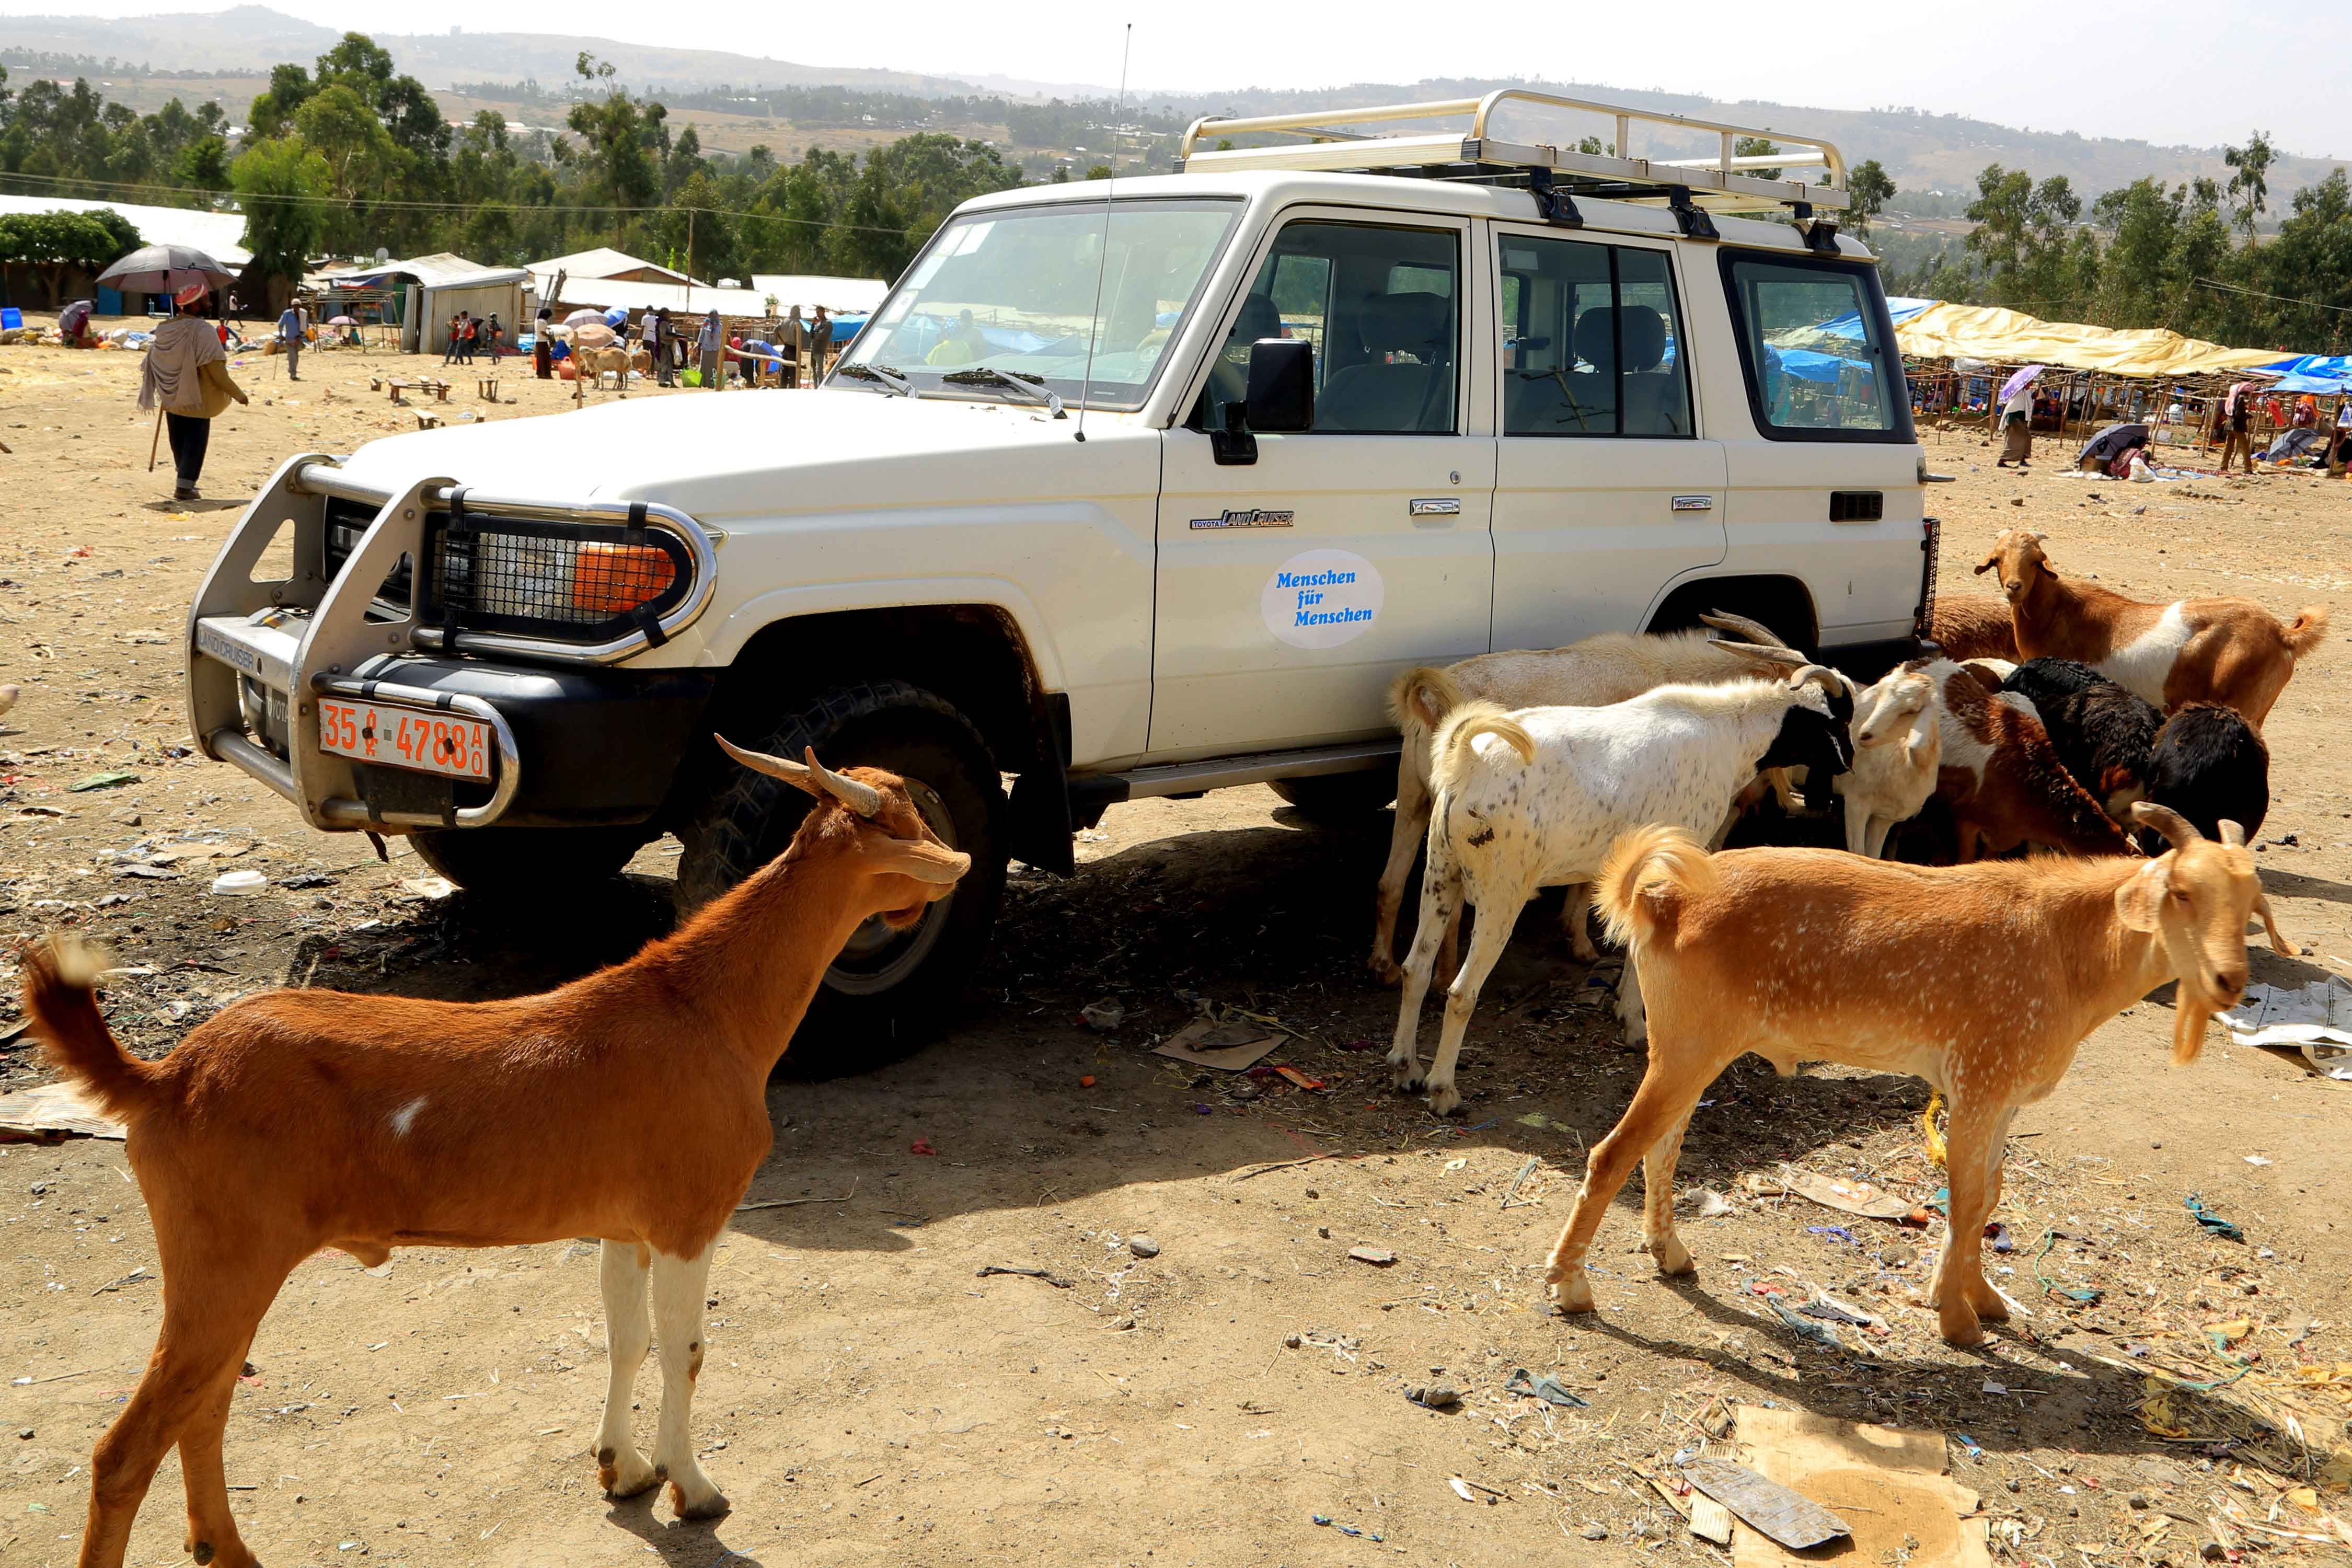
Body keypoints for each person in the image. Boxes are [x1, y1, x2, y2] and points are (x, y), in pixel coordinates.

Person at [142, 283, 247, 502]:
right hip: (197, 399)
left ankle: (184, 481)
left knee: (179, 442)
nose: (210, 303)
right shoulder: (203, 330)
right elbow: (215, 369)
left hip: (171, 397)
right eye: (206, 300)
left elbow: (156, 360)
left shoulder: (165, 328)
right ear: (196, 304)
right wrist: (238, 394)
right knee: (194, 444)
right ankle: (185, 488)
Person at [2219, 382, 2254, 475]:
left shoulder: (2233, 399)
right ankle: (2248, 468)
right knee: (2245, 448)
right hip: (2237, 426)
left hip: (2230, 425)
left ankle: (2223, 466)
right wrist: (2248, 416)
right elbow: (2239, 414)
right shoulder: (2241, 399)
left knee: (2229, 447)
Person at [276, 298, 305, 381]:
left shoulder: (303, 314)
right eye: (295, 306)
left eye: (298, 306)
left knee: (296, 358)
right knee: (292, 357)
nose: (297, 308)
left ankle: (291, 369)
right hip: (289, 338)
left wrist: (302, 335)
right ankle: (293, 375)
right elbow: (281, 324)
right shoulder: (287, 314)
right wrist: (281, 334)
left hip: (298, 338)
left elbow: (305, 325)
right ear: (292, 306)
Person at [697, 309, 724, 389]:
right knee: (704, 366)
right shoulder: (705, 324)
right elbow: (701, 336)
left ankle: (712, 384)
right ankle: (702, 383)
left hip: (715, 349)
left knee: (713, 367)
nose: (714, 316)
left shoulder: (720, 326)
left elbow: (722, 337)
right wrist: (699, 347)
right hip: (706, 348)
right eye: (712, 315)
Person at [809, 306, 832, 383]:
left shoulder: (828, 324)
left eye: (819, 312)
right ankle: (815, 387)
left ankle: (820, 386)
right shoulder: (818, 324)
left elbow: (821, 336)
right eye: (817, 312)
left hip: (820, 350)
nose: (817, 314)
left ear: (823, 312)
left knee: (819, 371)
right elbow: (811, 335)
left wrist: (815, 334)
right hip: (813, 349)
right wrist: (813, 325)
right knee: (814, 371)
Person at [533, 306, 553, 379]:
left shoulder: (537, 320)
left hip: (539, 341)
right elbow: (542, 332)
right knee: (545, 359)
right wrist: (549, 336)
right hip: (543, 342)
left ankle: (541, 374)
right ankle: (546, 375)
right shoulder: (542, 322)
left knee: (540, 359)